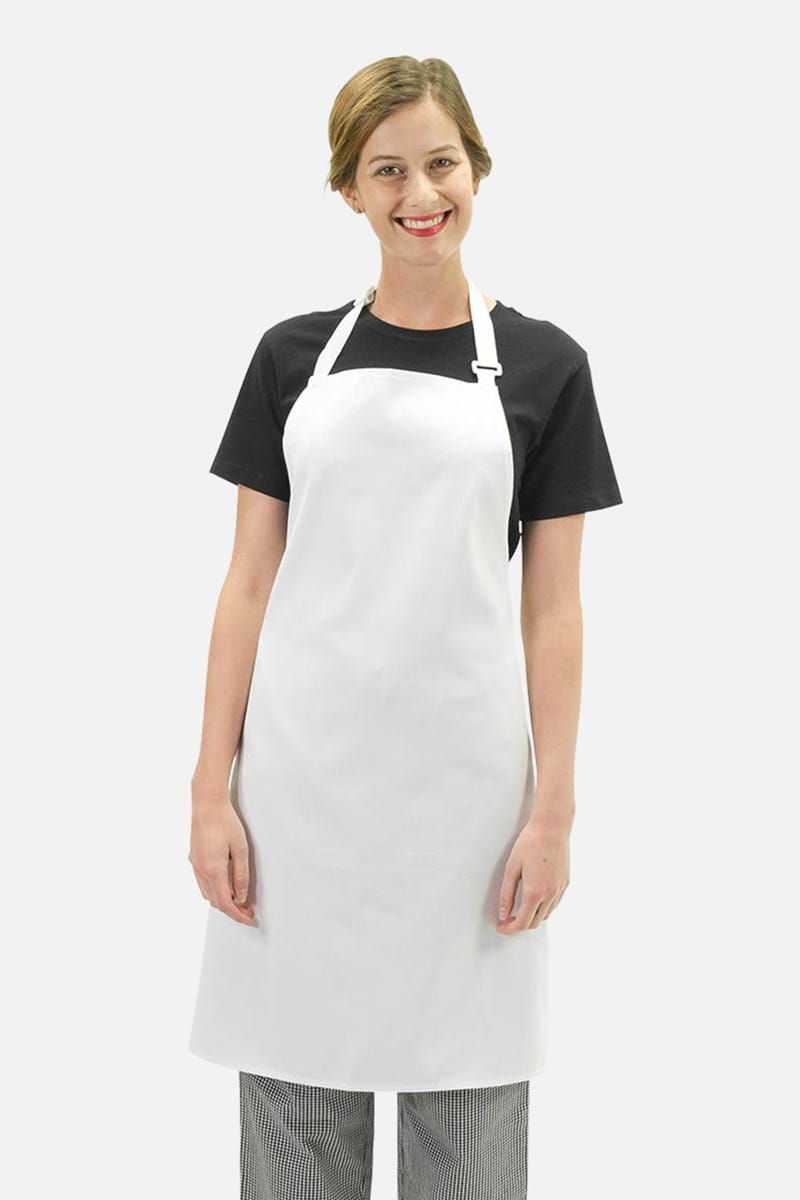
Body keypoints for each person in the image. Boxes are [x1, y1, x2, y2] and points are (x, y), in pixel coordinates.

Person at [188, 55, 623, 1200]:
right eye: (386, 170)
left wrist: (552, 810)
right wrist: (209, 790)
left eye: (440, 162)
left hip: (468, 816)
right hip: (298, 806)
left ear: (476, 168)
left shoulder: (546, 367)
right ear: (347, 189)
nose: (419, 193)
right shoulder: (289, 358)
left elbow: (553, 609)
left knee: (466, 1148)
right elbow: (246, 584)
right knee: (295, 1133)